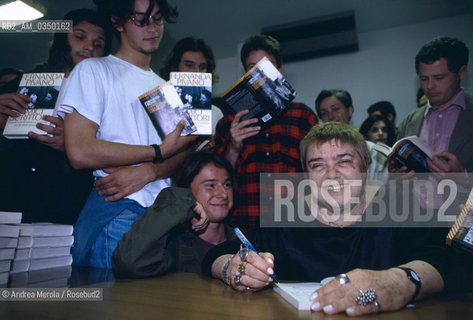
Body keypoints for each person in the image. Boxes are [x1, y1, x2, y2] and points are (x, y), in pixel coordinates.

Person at [202, 122, 472, 316]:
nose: (331, 174)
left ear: (364, 169)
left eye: (344, 161)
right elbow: (220, 254)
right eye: (317, 165)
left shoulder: (398, 209)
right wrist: (233, 269)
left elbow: (456, 259)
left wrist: (400, 282)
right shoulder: (284, 219)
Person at [58, 0, 196, 268]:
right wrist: (157, 152)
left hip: (162, 215)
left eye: (157, 19)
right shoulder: (93, 70)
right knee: (116, 307)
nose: (152, 27)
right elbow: (79, 150)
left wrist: (151, 170)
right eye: (141, 20)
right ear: (118, 21)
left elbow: (183, 152)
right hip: (119, 210)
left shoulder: (166, 87)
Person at [0, 8, 111, 224]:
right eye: (80, 37)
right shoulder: (20, 83)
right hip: (12, 197)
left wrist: (74, 143)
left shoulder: (108, 101)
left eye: (98, 44)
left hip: (70, 206)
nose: (89, 46)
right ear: (62, 40)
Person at [214, 34, 317, 230]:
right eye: (253, 67)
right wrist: (234, 147)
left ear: (279, 71)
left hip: (295, 222)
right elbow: (218, 182)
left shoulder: (303, 116)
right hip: (246, 222)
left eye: (266, 66)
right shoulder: (228, 122)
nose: (259, 74)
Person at [112, 152, 235, 278]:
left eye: (227, 185)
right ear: (187, 190)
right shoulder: (173, 246)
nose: (223, 194)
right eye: (210, 185)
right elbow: (129, 263)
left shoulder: (242, 242)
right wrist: (179, 201)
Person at [396, 36, 473, 174]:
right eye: (424, 79)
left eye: (439, 78)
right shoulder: (408, 123)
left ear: (461, 72)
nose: (430, 86)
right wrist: (396, 177)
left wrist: (464, 179)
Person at [159, 36, 224, 146]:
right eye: (189, 65)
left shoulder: (216, 113)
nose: (196, 72)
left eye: (202, 67)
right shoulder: (162, 108)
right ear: (175, 67)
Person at [315, 88, 389, 183]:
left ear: (350, 111)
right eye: (324, 113)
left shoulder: (372, 150)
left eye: (335, 109)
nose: (330, 116)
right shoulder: (318, 154)